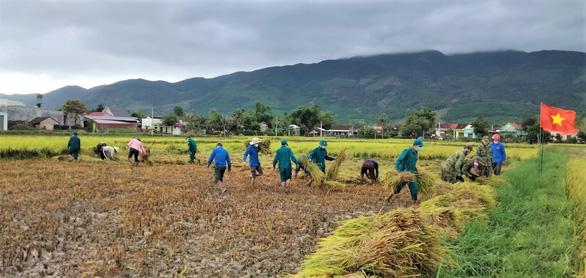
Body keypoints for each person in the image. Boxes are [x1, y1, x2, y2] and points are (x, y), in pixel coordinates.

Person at [389, 137, 424, 205]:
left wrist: (416, 171)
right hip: (404, 173)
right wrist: (400, 170)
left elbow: (413, 163)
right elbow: (399, 160)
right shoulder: (407, 151)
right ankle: (388, 197)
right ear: (415, 145)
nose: (420, 148)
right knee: (398, 188)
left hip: (411, 174)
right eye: (419, 146)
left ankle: (414, 202)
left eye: (421, 146)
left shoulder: (416, 153)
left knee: (414, 187)